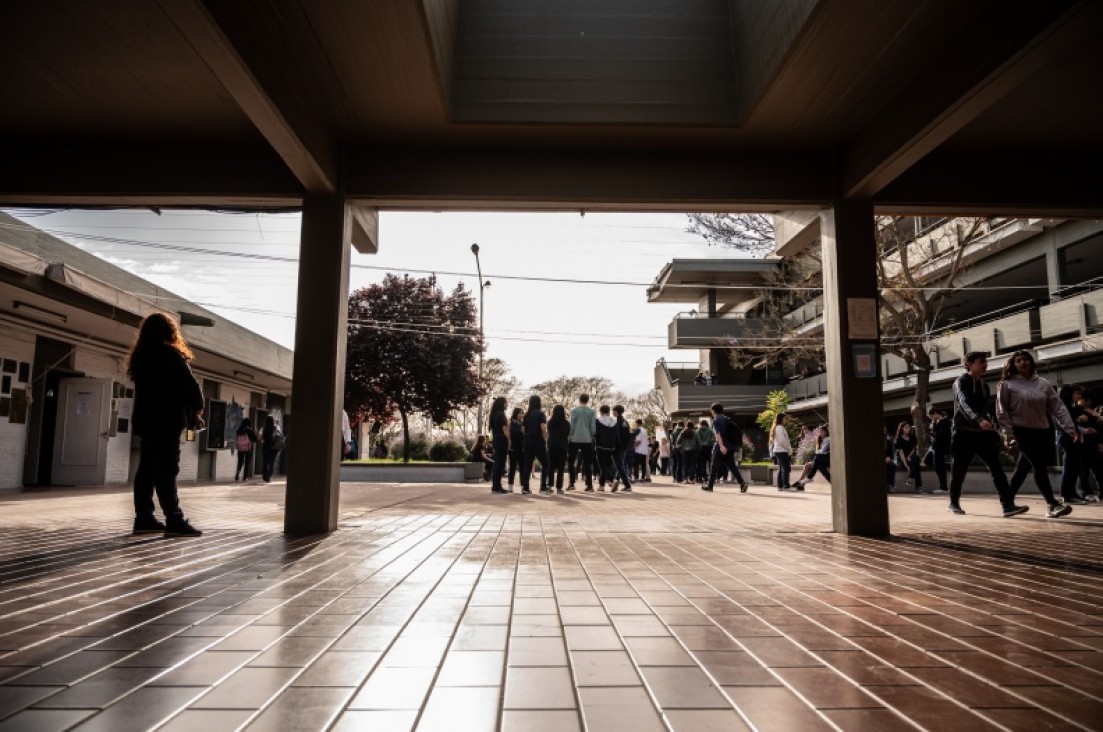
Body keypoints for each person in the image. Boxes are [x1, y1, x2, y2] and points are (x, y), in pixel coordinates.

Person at [126, 312, 204, 537]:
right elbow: (191, 386)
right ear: (170, 332)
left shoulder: (140, 358)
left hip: (146, 421)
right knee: (167, 470)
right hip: (167, 421)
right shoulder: (171, 355)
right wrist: (197, 408)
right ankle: (174, 519)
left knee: (147, 470)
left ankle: (144, 518)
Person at [997, 349, 1077, 518]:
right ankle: (1052, 504)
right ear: (1013, 365)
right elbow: (1002, 411)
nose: (1022, 362)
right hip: (1020, 431)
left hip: (1042, 430)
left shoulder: (1043, 383)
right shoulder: (1007, 384)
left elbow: (1057, 407)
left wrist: (1069, 427)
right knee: (1039, 465)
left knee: (1022, 468)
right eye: (1018, 360)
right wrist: (1008, 433)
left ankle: (1007, 503)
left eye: (1025, 359)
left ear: (1031, 362)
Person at [946, 352, 1023, 516]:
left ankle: (1007, 505)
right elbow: (963, 403)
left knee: (996, 467)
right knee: (959, 470)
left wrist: (993, 426)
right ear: (969, 364)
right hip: (963, 433)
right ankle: (953, 502)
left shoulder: (984, 385)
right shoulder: (961, 381)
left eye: (986, 362)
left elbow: (986, 409)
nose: (985, 365)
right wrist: (978, 419)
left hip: (982, 435)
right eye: (981, 362)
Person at [703, 403, 748, 492]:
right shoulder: (727, 419)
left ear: (713, 410)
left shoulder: (715, 420)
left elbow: (718, 434)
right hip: (730, 446)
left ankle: (710, 486)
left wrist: (721, 446)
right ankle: (742, 483)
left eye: (711, 410)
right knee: (732, 466)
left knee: (714, 466)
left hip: (720, 447)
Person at [567, 394, 597, 492]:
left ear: (579, 399)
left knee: (571, 461)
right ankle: (589, 485)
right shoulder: (592, 412)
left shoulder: (574, 410)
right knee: (587, 463)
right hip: (587, 439)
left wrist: (569, 436)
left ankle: (571, 483)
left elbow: (572, 425)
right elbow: (593, 427)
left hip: (575, 438)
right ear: (587, 400)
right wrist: (592, 435)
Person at [521, 395, 550, 494]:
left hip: (527, 441)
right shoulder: (540, 414)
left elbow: (523, 430)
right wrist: (545, 438)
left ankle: (525, 488)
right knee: (546, 463)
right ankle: (543, 488)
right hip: (537, 441)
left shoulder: (526, 415)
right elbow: (543, 427)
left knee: (527, 465)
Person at [793, 424, 830, 490]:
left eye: (822, 432)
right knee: (808, 465)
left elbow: (822, 451)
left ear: (826, 432)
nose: (820, 433)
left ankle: (803, 481)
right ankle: (801, 483)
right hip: (821, 459)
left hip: (825, 459)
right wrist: (818, 452)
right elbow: (819, 451)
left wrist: (818, 452)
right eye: (819, 432)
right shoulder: (821, 440)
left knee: (817, 460)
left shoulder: (828, 439)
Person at [894, 422, 926, 493]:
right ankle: (918, 487)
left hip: (911, 458)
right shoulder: (898, 439)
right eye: (906, 427)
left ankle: (910, 479)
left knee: (916, 458)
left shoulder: (912, 437)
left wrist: (909, 456)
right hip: (903, 460)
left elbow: (914, 449)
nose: (908, 429)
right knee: (916, 465)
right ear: (902, 429)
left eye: (909, 427)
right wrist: (906, 465)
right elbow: (901, 453)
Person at [546, 404, 570, 493]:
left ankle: (549, 486)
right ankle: (559, 488)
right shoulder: (566, 423)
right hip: (562, 446)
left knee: (551, 467)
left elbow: (549, 433)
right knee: (561, 468)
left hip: (552, 446)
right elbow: (567, 434)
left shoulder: (550, 422)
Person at [488, 397, 510, 494]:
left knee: (497, 464)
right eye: (506, 403)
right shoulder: (501, 415)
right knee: (500, 464)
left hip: (496, 440)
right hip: (502, 441)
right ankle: (497, 487)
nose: (507, 405)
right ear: (502, 404)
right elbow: (505, 430)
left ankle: (496, 486)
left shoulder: (494, 415)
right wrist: (509, 440)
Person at [612, 405, 634, 492]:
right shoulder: (625, 422)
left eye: (613, 411)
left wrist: (617, 445)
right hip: (624, 447)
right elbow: (629, 435)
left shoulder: (617, 422)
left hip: (618, 447)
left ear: (616, 412)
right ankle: (616, 481)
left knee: (619, 466)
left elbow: (617, 436)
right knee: (620, 465)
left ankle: (627, 485)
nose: (612, 412)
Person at [928, 407, 951, 492]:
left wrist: (933, 425)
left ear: (936, 414)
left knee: (940, 467)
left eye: (931, 416)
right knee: (937, 467)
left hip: (941, 448)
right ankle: (943, 486)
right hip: (937, 447)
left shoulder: (945, 422)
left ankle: (943, 487)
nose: (932, 419)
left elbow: (938, 435)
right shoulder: (939, 422)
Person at [770, 412, 792, 492]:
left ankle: (780, 486)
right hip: (781, 451)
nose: (787, 420)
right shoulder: (779, 428)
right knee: (786, 468)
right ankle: (786, 485)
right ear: (781, 419)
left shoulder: (779, 427)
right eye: (785, 418)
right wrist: (789, 449)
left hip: (780, 451)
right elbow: (782, 441)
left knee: (781, 468)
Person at [260, 415, 284, 483]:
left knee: (265, 462)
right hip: (274, 447)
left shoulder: (263, 428)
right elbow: (281, 436)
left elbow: (261, 439)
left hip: (265, 447)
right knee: (271, 462)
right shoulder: (276, 428)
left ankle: (264, 476)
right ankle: (268, 476)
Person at [507, 407, 525, 491]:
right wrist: (520, 432)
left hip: (522, 448)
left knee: (522, 468)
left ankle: (523, 486)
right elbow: (513, 434)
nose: (521, 415)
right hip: (513, 448)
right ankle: (510, 485)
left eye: (522, 413)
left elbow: (525, 434)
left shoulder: (523, 423)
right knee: (512, 467)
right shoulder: (511, 423)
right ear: (515, 413)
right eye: (519, 413)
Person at [633, 419, 652, 483]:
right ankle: (643, 477)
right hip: (644, 450)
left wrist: (633, 445)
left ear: (637, 423)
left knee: (636, 464)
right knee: (643, 464)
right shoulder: (645, 430)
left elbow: (638, 441)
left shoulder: (638, 430)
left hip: (638, 450)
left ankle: (636, 477)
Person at [696, 418, 714, 482]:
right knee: (709, 463)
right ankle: (709, 477)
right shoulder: (710, 430)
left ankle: (703, 477)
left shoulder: (698, 430)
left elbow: (696, 440)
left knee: (702, 463)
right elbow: (714, 438)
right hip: (708, 447)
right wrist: (710, 442)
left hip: (701, 448)